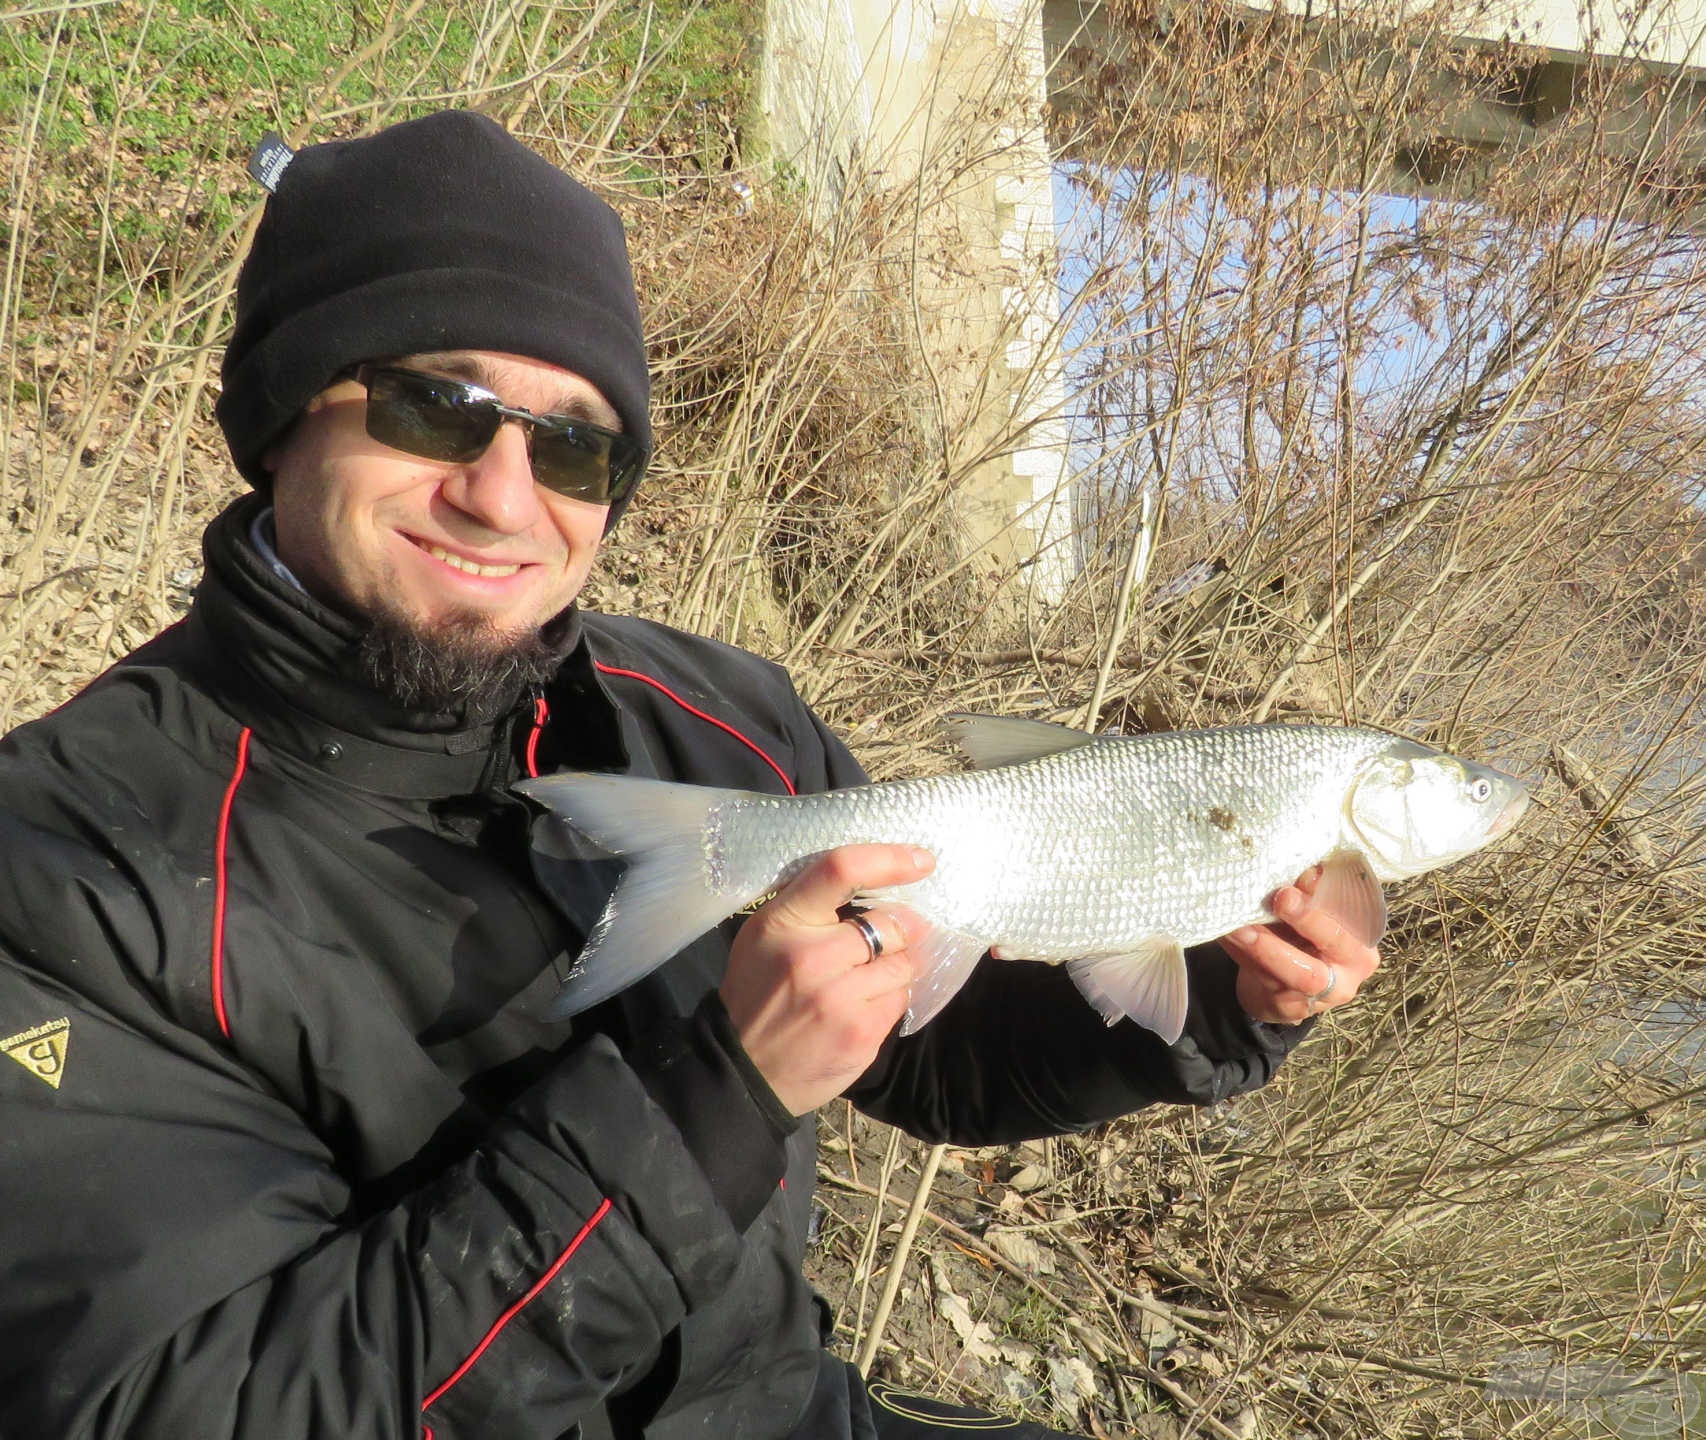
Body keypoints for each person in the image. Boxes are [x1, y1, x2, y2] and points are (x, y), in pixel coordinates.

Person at [0, 111, 1379, 1439]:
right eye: (434, 409)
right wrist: (708, 1102)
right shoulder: (67, 867)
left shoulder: (710, 718)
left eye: (576, 446)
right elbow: (196, 1406)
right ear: (282, 416)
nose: (501, 492)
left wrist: (1216, 978)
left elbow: (933, 1062)